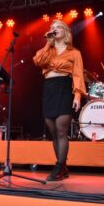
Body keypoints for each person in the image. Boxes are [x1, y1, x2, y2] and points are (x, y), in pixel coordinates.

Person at [33, 19, 86, 181]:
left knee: (61, 129)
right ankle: (63, 168)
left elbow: (78, 74)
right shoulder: (48, 50)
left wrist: (77, 95)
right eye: (52, 28)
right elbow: (37, 61)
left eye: (57, 27)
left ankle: (58, 166)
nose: (54, 30)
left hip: (64, 88)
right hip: (49, 88)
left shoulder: (74, 53)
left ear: (65, 31)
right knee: (53, 132)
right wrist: (48, 44)